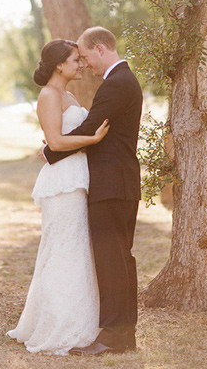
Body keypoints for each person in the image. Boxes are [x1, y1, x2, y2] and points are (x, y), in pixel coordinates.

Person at [43, 26, 143, 356]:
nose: (85, 64)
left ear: (100, 49)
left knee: (112, 260)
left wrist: (50, 151)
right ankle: (124, 334)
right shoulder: (121, 80)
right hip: (118, 183)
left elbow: (89, 129)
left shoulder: (116, 83)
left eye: (85, 56)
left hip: (112, 184)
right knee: (120, 258)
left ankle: (115, 335)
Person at [7, 39, 110, 355]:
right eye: (75, 59)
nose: (81, 64)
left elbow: (59, 140)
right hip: (61, 184)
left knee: (78, 250)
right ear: (58, 65)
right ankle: (58, 326)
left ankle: (81, 322)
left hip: (77, 178)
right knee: (62, 250)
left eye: (81, 59)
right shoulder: (49, 96)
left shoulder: (67, 95)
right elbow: (54, 141)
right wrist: (92, 139)